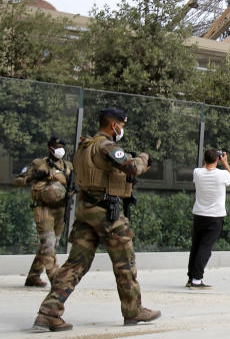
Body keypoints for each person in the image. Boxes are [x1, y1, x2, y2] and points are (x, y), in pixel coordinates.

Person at [32, 108, 161, 332]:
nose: (122, 130)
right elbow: (131, 167)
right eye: (122, 125)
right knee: (125, 263)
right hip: (106, 212)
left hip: (85, 211)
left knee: (76, 264)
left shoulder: (85, 146)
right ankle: (133, 310)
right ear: (114, 126)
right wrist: (143, 158)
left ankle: (48, 313)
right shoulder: (106, 145)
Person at [13, 136, 74, 288]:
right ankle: (56, 278)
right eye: (56, 146)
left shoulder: (68, 167)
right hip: (43, 209)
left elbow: (75, 186)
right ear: (49, 148)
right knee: (48, 244)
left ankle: (33, 277)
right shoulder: (38, 163)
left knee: (52, 244)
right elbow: (17, 181)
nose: (60, 149)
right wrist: (33, 177)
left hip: (60, 210)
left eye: (61, 146)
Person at [186, 147, 230, 288]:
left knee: (196, 246)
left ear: (204, 159)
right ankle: (197, 279)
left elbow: (204, 168)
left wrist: (209, 158)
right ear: (217, 159)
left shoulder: (197, 172)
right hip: (215, 217)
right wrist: (225, 163)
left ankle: (191, 278)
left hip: (199, 215)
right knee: (205, 248)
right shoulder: (221, 175)